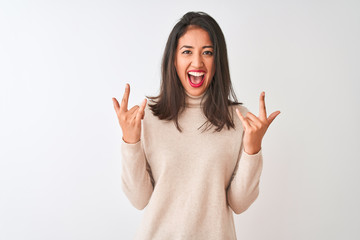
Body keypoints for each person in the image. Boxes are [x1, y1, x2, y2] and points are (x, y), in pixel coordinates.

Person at [112, 11, 280, 240]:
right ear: (173, 59)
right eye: (187, 52)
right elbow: (138, 199)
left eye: (207, 52)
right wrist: (130, 142)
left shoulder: (239, 119)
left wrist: (253, 148)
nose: (197, 62)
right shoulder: (147, 116)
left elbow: (239, 204)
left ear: (217, 60)